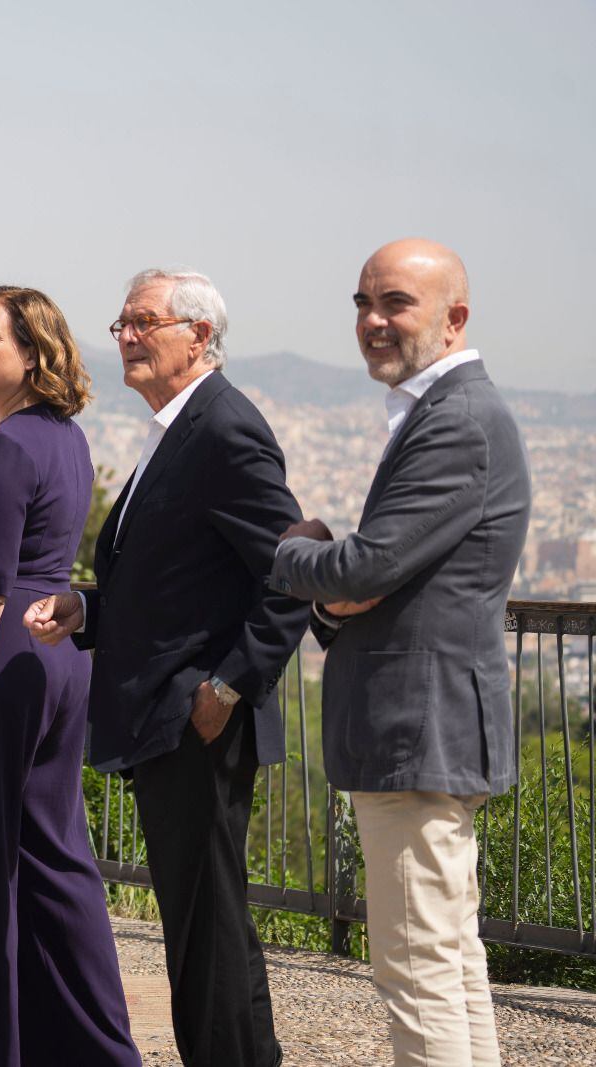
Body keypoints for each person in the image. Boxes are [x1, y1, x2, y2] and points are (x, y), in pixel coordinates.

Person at [26, 269, 308, 1067]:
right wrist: (89, 609)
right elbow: (169, 585)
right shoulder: (175, 431)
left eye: (145, 321)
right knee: (207, 923)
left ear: (199, 336)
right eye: (122, 323)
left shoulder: (222, 429)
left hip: (197, 722)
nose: (127, 336)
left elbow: (289, 573)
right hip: (171, 717)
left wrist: (227, 686)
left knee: (204, 930)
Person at [271, 239, 529, 1067]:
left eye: (395, 304)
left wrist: (291, 554)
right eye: (361, 303)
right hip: (429, 730)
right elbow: (366, 580)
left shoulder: (455, 419)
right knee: (448, 963)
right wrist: (340, 591)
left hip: (416, 733)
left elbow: (368, 566)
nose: (372, 321)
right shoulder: (450, 412)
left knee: (418, 968)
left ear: (455, 318)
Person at [0, 286, 141, 1067]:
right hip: (51, 663)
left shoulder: (7, 449)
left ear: (34, 354)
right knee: (48, 861)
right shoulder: (63, 438)